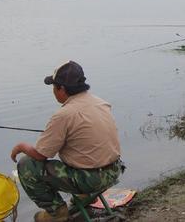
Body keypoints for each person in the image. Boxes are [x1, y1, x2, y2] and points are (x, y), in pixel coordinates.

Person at [11, 61, 123, 222]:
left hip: (92, 180)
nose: (53, 91)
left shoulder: (64, 115)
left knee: (26, 165)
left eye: (53, 86)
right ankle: (86, 198)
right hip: (114, 171)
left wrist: (21, 146)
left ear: (61, 89)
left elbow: (40, 155)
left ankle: (57, 212)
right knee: (79, 158)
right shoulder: (100, 102)